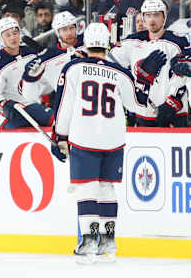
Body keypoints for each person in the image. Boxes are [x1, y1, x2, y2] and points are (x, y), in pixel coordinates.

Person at [52, 22, 147, 263]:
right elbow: (138, 106)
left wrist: (59, 136)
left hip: (85, 137)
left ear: (85, 43)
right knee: (107, 188)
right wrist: (146, 79)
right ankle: (108, 244)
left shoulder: (73, 68)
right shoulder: (121, 72)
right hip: (114, 138)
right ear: (107, 44)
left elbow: (64, 106)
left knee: (87, 189)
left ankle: (88, 243)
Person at [110, 0, 189, 127]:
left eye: (156, 15)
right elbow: (110, 62)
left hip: (174, 113)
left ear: (164, 17)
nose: (152, 20)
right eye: (148, 15)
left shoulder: (177, 42)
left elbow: (184, 76)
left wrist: (172, 103)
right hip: (143, 113)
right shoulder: (132, 41)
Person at [0, 17, 55, 129]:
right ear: (0, 38)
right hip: (10, 113)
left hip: (32, 106)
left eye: (15, 33)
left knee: (58, 122)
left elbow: (44, 79)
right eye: (7, 35)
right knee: (19, 136)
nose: (13, 37)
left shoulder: (31, 53)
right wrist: (4, 104)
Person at [21, 11, 84, 105]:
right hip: (66, 105)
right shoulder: (49, 57)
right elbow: (29, 94)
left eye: (72, 28)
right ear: (57, 32)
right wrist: (30, 76)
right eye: (64, 30)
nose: (69, 33)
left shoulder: (87, 43)